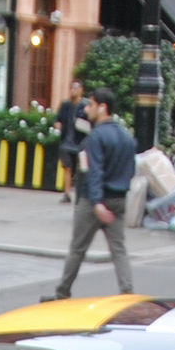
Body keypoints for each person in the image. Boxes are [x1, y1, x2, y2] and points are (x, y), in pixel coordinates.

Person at [43, 87, 136, 301]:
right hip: (119, 198)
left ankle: (62, 292)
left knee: (77, 248)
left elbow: (94, 172)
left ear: (102, 108)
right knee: (118, 249)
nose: (86, 109)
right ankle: (127, 293)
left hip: (96, 200)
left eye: (91, 104)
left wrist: (96, 203)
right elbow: (130, 170)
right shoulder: (126, 137)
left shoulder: (96, 137)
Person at [53, 78, 88, 206]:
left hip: (80, 143)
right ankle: (67, 194)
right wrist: (57, 124)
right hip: (66, 142)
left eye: (76, 88)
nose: (73, 90)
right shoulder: (65, 104)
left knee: (80, 170)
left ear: (81, 90)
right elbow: (57, 119)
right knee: (67, 167)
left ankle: (80, 195)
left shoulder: (86, 105)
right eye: (71, 88)